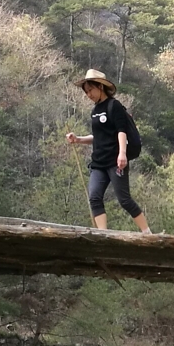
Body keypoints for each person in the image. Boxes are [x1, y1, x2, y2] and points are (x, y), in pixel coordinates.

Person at [66, 69, 151, 232]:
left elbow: (121, 130)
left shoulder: (114, 106)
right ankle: (103, 234)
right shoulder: (95, 111)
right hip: (98, 163)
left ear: (100, 87)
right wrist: (78, 139)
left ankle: (147, 232)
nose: (88, 94)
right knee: (94, 197)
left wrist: (122, 154)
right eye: (86, 92)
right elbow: (98, 137)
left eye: (90, 90)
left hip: (115, 161)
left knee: (124, 199)